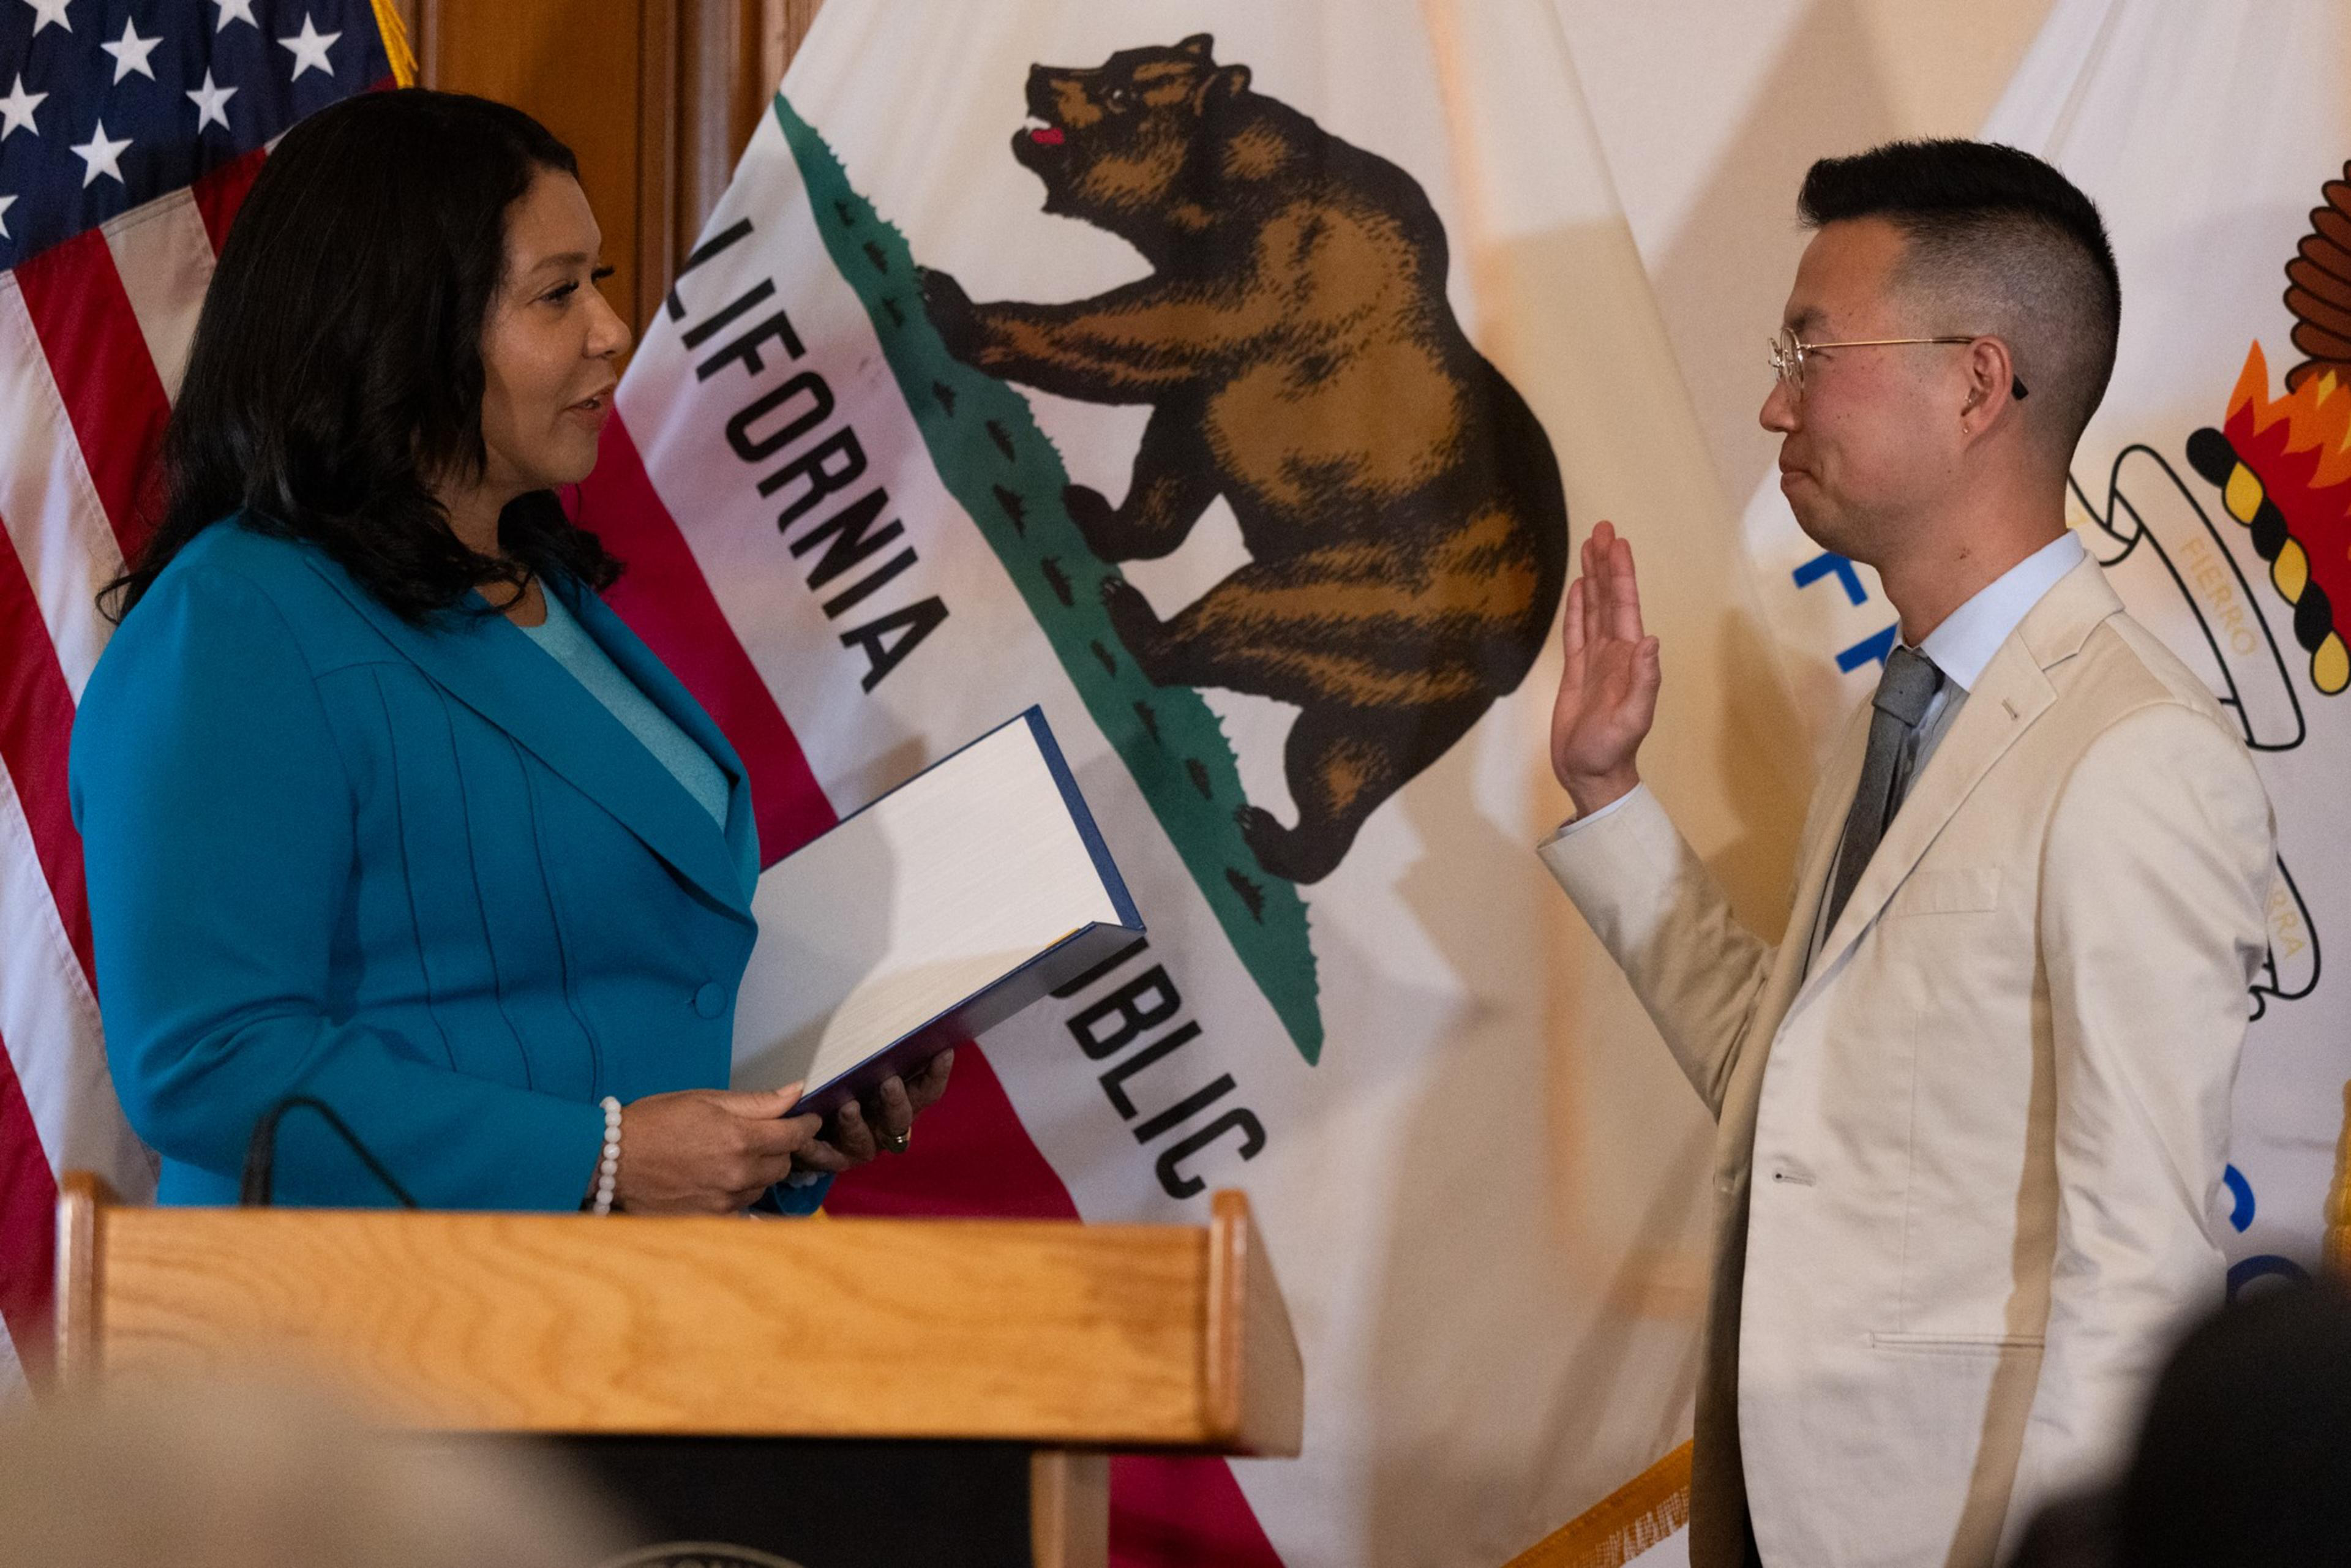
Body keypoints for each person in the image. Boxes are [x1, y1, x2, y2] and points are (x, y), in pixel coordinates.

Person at [1539, 140, 2275, 1568]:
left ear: (1978, 382)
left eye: (1811, 348)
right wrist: (1608, 790)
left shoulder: (2135, 752)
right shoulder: (1894, 718)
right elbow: (1794, 1090)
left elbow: (2143, 1260)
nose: (1774, 398)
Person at [70, 89, 949, 1215]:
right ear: (399, 327)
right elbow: (209, 1064)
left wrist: (789, 1120)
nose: (611, 330)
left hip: (620, 1338)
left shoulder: (547, 587)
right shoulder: (237, 624)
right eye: (557, 292)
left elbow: (611, 1001)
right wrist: (607, 1161)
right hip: (367, 1363)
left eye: (602, 282)